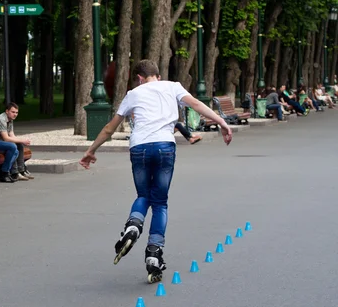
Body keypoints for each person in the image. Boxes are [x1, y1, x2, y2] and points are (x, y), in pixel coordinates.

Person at [79, 59, 232, 284]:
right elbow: (197, 104)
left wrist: (90, 151)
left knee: (143, 195)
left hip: (139, 147)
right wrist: (222, 123)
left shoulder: (133, 94)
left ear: (139, 78)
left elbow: (110, 128)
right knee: (159, 202)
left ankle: (132, 227)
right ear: (156, 75)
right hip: (164, 147)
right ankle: (153, 255)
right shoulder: (173, 86)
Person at [0, 102, 34, 181]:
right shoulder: (1, 120)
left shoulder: (10, 120)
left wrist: (21, 141)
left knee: (19, 145)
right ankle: (14, 173)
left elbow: (12, 135)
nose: (15, 114)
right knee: (12, 147)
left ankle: (21, 170)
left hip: (0, 142)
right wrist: (22, 140)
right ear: (7, 111)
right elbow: (6, 138)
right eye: (13, 112)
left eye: (16, 112)